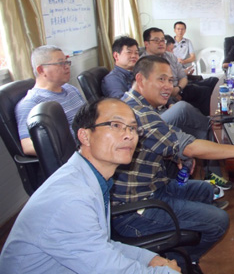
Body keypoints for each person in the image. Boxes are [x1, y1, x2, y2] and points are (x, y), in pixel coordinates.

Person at [112, 55, 234, 267]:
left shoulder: (135, 104)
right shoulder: (139, 114)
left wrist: (174, 154)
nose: (168, 86)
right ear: (140, 79)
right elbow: (189, 147)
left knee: (206, 190)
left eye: (170, 80)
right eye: (161, 79)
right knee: (219, 220)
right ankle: (177, 263)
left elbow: (160, 139)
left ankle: (180, 244)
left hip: (153, 186)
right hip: (134, 210)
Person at [0, 98, 180, 273]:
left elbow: (101, 245)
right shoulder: (72, 200)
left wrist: (148, 259)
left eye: (132, 128)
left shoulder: (92, 178)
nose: (129, 135)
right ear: (85, 136)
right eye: (115, 125)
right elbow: (107, 268)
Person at [103, 36, 210, 138]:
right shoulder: (113, 79)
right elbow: (122, 108)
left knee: (188, 118)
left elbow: (158, 89)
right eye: (129, 52)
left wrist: (170, 103)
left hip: (158, 110)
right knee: (182, 108)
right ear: (116, 56)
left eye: (136, 53)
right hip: (144, 120)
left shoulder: (136, 72)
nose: (134, 56)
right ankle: (211, 127)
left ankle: (209, 133)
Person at [15, 45, 85, 156]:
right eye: (61, 63)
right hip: (79, 153)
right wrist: (68, 147)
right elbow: (28, 146)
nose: (67, 67)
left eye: (67, 62)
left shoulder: (70, 89)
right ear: (41, 70)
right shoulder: (31, 103)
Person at [142, 27, 216, 116]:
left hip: (180, 88)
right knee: (205, 91)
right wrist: (171, 94)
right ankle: (207, 120)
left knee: (212, 83)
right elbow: (153, 89)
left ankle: (210, 118)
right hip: (167, 96)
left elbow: (183, 76)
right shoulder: (144, 63)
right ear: (146, 44)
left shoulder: (170, 56)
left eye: (162, 40)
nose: (161, 43)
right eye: (156, 40)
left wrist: (178, 89)